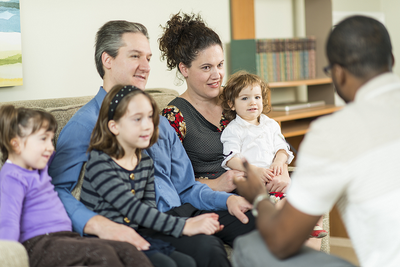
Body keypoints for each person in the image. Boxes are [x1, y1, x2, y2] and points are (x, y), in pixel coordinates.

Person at [49, 19, 254, 267]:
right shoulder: (85, 124)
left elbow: (186, 186)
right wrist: (97, 225)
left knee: (251, 222)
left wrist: (227, 200)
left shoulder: (159, 123)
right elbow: (57, 190)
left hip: (179, 211)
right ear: (108, 60)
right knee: (205, 247)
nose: (146, 67)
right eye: (135, 56)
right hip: (142, 223)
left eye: (148, 58)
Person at [231, 15, 400, 267]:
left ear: (338, 73)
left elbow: (281, 240)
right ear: (392, 60)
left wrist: (258, 198)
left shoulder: (333, 132)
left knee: (248, 246)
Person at [81, 85, 223, 267]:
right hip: (105, 241)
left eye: (150, 117)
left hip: (136, 233)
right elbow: (132, 209)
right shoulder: (100, 162)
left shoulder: (145, 162)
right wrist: (185, 226)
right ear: (114, 126)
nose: (147, 125)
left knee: (186, 262)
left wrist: (188, 223)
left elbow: (149, 208)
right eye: (137, 119)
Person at [0, 105, 152, 267]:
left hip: (67, 238)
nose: (51, 147)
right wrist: (9, 256)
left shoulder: (39, 166)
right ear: (16, 144)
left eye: (51, 140)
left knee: (127, 250)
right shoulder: (12, 177)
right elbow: (8, 222)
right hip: (39, 245)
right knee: (101, 254)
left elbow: (57, 154)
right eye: (43, 139)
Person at [160, 13, 290, 194]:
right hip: (215, 198)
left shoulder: (237, 97)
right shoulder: (174, 116)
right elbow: (166, 178)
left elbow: (270, 138)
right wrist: (216, 184)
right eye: (206, 67)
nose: (217, 75)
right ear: (184, 69)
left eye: (220, 65)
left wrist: (282, 171)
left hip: (261, 185)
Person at [220, 71, 327, 238]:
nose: (252, 102)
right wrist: (254, 170)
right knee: (278, 204)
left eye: (257, 97)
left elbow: (282, 148)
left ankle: (313, 226)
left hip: (275, 175)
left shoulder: (270, 125)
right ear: (231, 104)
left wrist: (279, 161)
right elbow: (231, 158)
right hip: (252, 180)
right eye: (245, 98)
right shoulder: (233, 130)